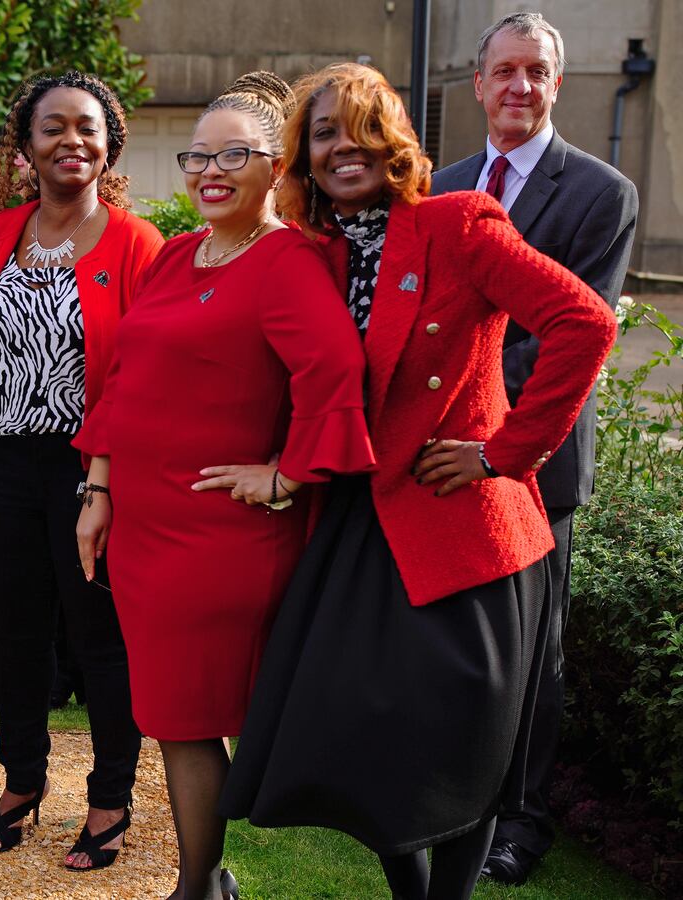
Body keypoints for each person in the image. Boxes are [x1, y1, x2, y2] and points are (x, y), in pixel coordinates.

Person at [218, 63, 617, 900]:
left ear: (393, 141)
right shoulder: (306, 252)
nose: (343, 147)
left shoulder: (458, 224)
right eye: (323, 133)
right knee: (366, 746)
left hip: (459, 528)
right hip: (357, 527)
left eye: (362, 127)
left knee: (459, 750)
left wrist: (505, 451)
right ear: (305, 157)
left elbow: (583, 320)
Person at [72, 72, 376, 898]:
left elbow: (335, 374)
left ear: (277, 168)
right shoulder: (178, 253)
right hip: (142, 524)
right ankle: (207, 883)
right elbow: (123, 379)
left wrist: (286, 477)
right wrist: (97, 490)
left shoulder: (288, 262)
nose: (210, 170)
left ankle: (197, 887)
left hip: (219, 541)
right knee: (179, 717)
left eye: (234, 154)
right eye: (199, 154)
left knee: (186, 719)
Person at [429, 13, 638, 885]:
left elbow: (563, 334)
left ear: (559, 85)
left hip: (537, 462)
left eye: (537, 72)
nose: (519, 86)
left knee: (531, 649)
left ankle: (521, 822)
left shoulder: (601, 193)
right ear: (477, 85)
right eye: (504, 71)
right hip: (440, 459)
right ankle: (442, 798)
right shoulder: (438, 187)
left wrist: (477, 417)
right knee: (456, 643)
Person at [0, 71, 163, 871]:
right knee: (16, 637)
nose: (71, 141)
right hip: (1, 464)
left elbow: (142, 374)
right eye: (53, 129)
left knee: (100, 637)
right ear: (26, 147)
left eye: (88, 128)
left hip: (90, 468)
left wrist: (103, 479)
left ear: (109, 144)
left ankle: (110, 799)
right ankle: (22, 783)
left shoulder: (137, 246)